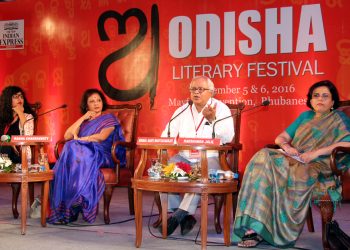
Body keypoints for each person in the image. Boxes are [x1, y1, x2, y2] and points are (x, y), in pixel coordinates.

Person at [233, 80, 350, 248]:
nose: (320, 99)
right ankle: (255, 227)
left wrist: (316, 153)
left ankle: (265, 230)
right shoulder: (305, 116)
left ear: (333, 102)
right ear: (310, 100)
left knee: (269, 162)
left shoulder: (339, 119)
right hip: (296, 160)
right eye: (316, 96)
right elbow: (280, 138)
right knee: (263, 157)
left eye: (325, 96)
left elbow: (348, 143)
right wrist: (287, 147)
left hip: (318, 166)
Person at [159, 76, 234, 236]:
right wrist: (164, 142)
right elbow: (166, 134)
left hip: (210, 158)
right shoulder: (182, 110)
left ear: (211, 92)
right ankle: (184, 216)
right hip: (184, 157)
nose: (196, 93)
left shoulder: (221, 109)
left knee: (201, 174)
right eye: (193, 89)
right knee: (163, 172)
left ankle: (178, 216)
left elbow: (228, 138)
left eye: (201, 89)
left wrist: (212, 120)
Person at [48, 89, 125, 224]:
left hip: (102, 153)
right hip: (82, 154)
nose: (96, 104)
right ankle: (71, 205)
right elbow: (67, 136)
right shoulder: (84, 122)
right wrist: (83, 118)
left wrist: (82, 139)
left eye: (99, 100)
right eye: (92, 101)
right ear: (86, 105)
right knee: (71, 146)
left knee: (73, 146)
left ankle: (76, 202)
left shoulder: (109, 118)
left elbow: (101, 137)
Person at [0, 85, 36, 162]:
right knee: (6, 148)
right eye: (16, 97)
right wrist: (9, 142)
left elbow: (27, 137)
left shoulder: (28, 117)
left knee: (6, 148)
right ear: (8, 100)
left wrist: (20, 113)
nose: (20, 99)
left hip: (20, 155)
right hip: (3, 154)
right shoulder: (2, 117)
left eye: (21, 97)